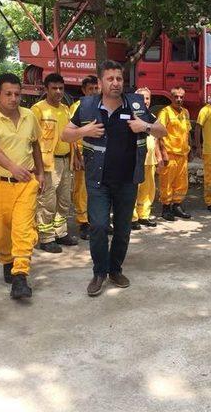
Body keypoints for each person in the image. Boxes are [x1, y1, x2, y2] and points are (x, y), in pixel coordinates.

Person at [61, 60, 167, 297]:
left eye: (119, 78)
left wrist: (145, 126)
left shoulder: (136, 104)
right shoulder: (87, 106)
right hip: (98, 180)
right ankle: (99, 272)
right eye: (110, 79)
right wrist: (83, 132)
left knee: (122, 229)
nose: (115, 83)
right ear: (100, 83)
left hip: (128, 179)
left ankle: (115, 270)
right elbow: (65, 135)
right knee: (98, 226)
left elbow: (162, 130)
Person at [0, 73, 45, 300]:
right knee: (0, 230)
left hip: (26, 183)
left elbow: (35, 145)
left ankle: (20, 276)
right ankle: (7, 259)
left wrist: (41, 173)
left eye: (17, 94)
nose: (14, 98)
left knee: (23, 229)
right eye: (8, 94)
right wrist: (12, 167)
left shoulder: (29, 116)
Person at [31, 73, 78, 253]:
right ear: (46, 89)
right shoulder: (38, 110)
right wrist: (38, 168)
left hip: (66, 161)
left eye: (61, 88)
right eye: (54, 88)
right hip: (48, 163)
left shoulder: (66, 110)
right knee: (47, 201)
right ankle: (46, 237)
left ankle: (61, 232)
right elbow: (33, 140)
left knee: (64, 200)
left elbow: (72, 136)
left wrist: (77, 157)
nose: (58, 92)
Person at [70, 75, 99, 240]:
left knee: (98, 189)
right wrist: (77, 156)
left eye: (96, 89)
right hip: (83, 154)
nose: (94, 92)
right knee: (82, 189)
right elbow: (71, 133)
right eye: (90, 89)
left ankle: (96, 221)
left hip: (100, 155)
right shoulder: (78, 107)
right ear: (83, 90)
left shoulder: (103, 105)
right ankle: (83, 222)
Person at [157, 87, 192, 221]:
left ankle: (177, 206)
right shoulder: (165, 112)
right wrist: (163, 152)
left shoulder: (185, 113)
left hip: (183, 154)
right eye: (176, 97)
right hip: (170, 153)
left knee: (181, 182)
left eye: (181, 97)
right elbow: (159, 133)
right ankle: (166, 208)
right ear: (171, 98)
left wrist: (190, 149)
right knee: (167, 182)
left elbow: (187, 132)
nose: (179, 99)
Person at [131, 87, 163, 229]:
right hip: (135, 159)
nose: (145, 101)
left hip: (150, 160)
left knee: (148, 189)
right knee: (133, 189)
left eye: (148, 98)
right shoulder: (132, 117)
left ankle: (144, 215)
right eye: (142, 98)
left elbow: (156, 140)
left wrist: (159, 157)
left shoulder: (152, 118)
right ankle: (132, 218)